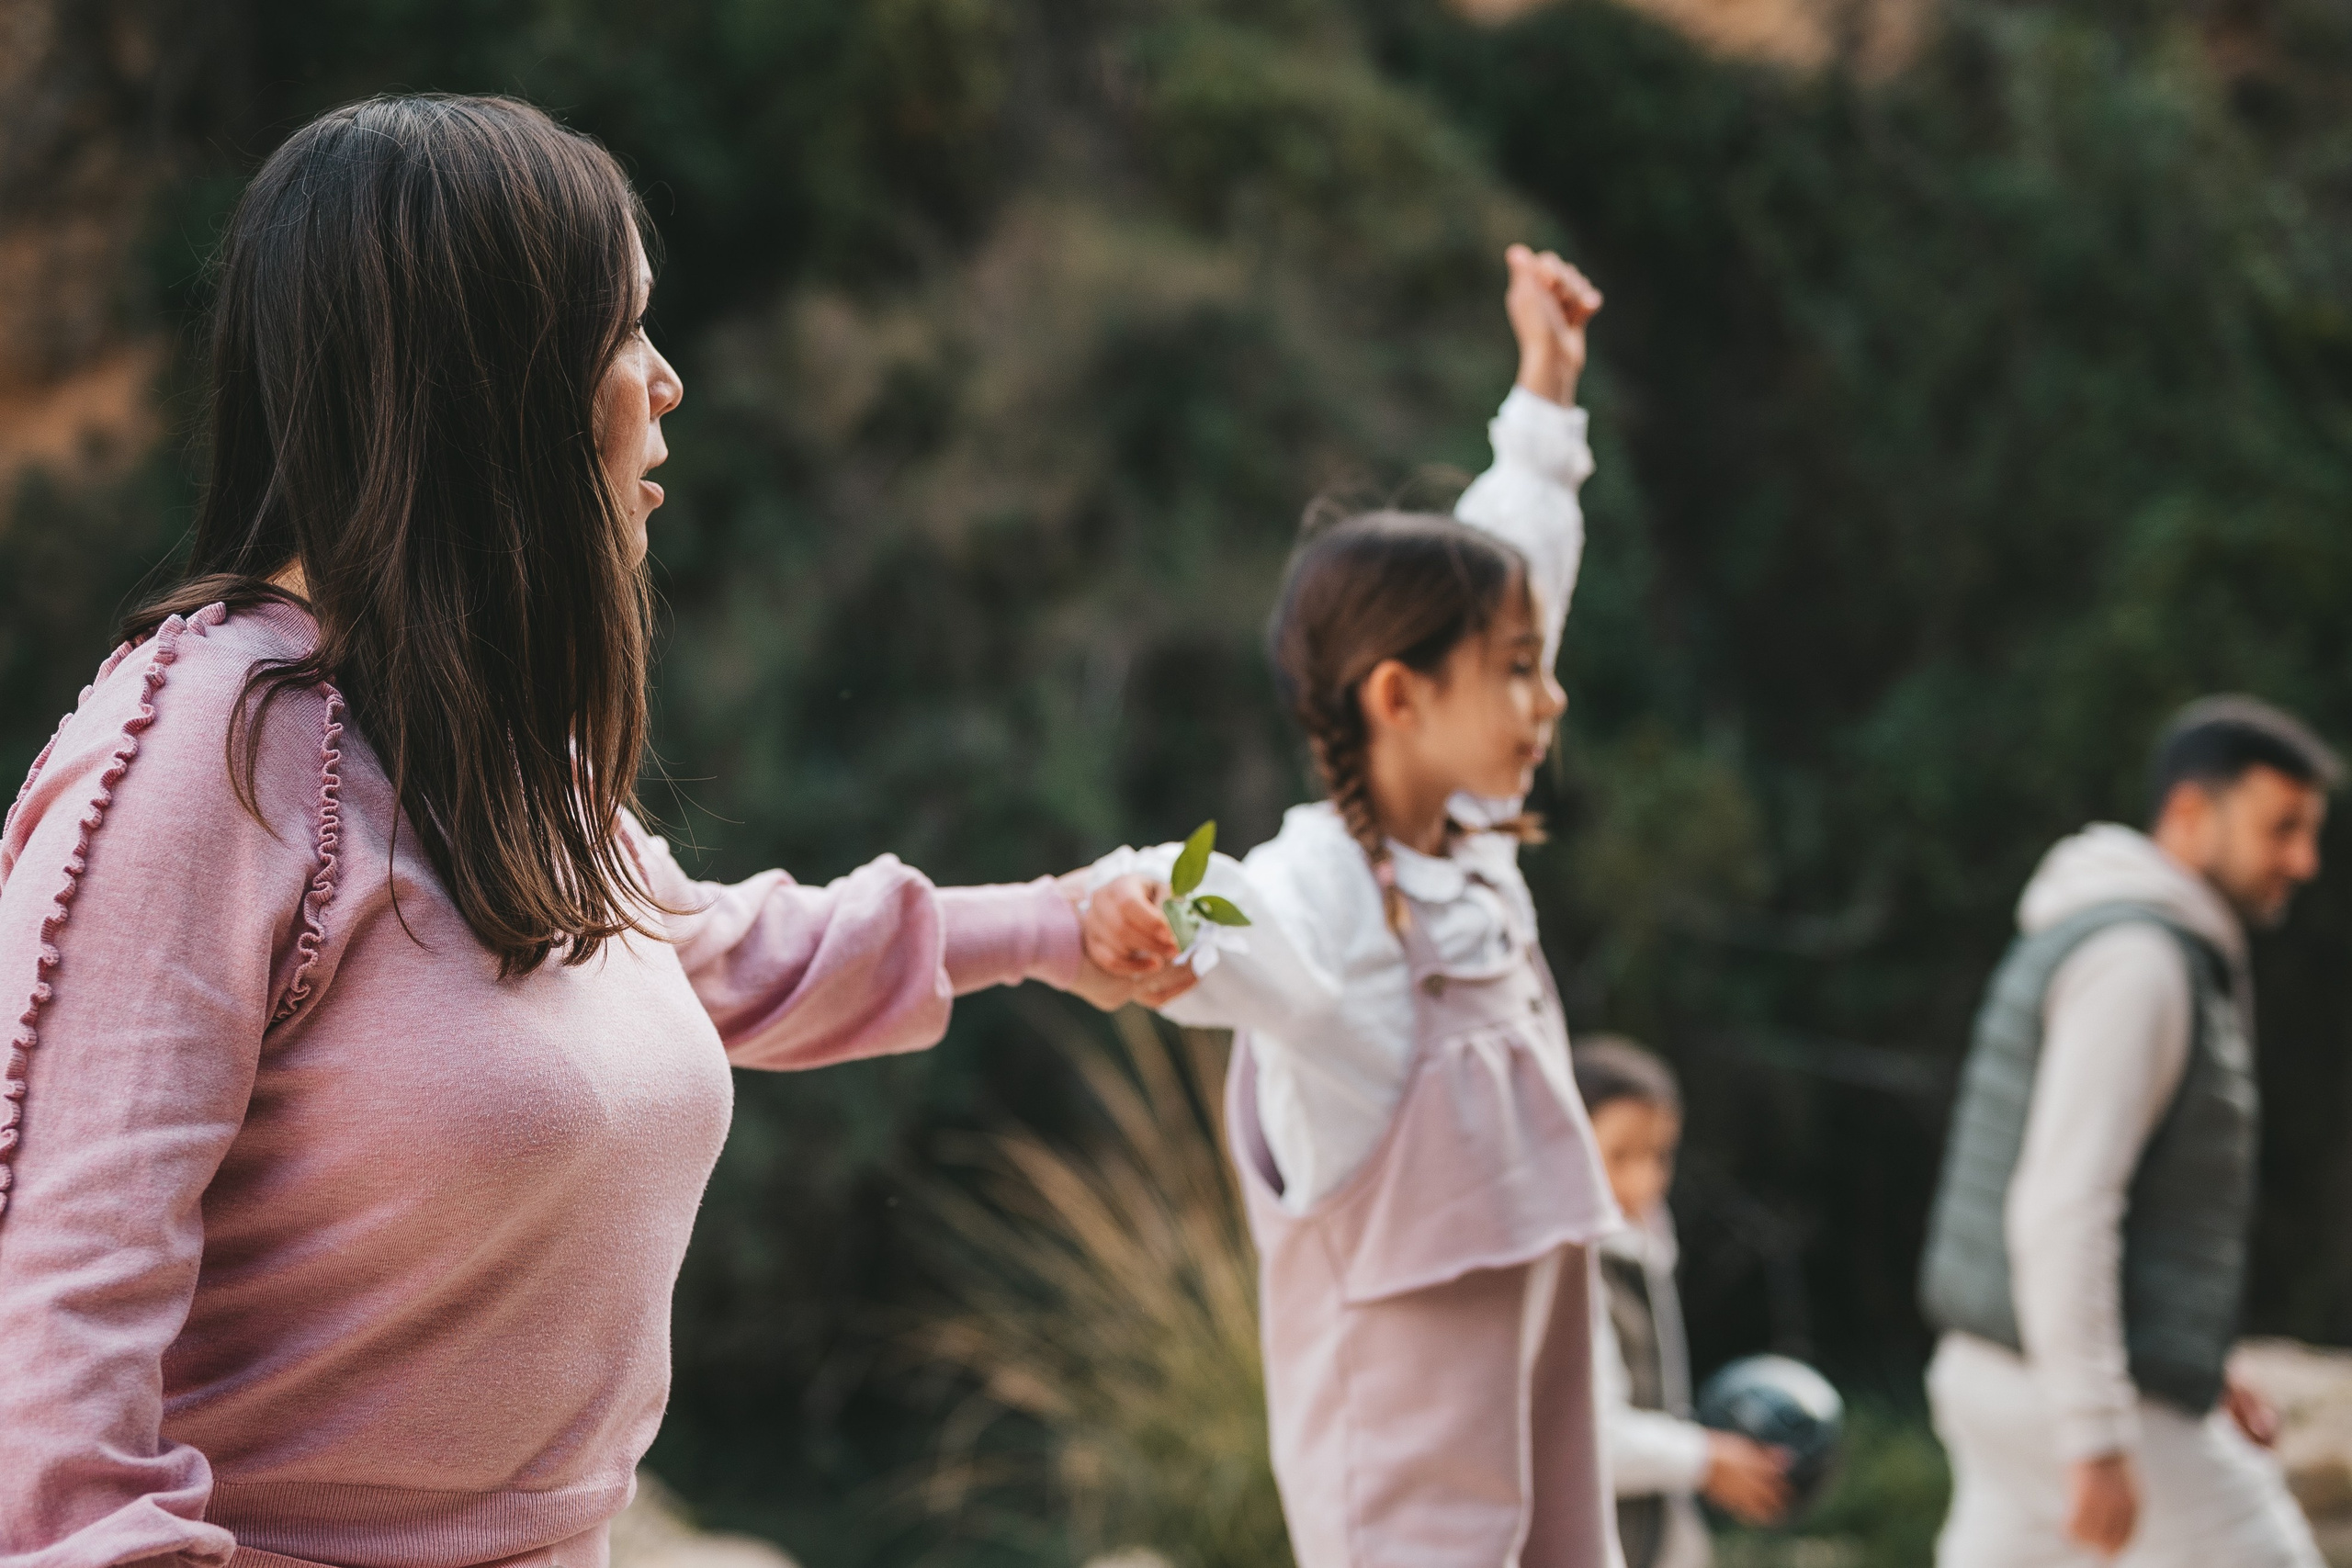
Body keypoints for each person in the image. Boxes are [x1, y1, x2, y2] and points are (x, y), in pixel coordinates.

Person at [0, 96, 1185, 1568]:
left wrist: (1065, 922)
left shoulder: (485, 730)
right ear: (489, 378)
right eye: (626, 332)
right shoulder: (202, 751)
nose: (668, 382)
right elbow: (58, 1326)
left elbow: (707, 954)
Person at [1080, 243, 1619, 1567]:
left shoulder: (1474, 848)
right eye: (1518, 671)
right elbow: (1228, 909)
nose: (1550, 696)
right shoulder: (1322, 888)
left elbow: (1519, 557)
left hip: (1544, 1429)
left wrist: (1544, 396)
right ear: (1399, 696)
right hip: (1403, 1490)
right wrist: (1150, 899)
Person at [1918, 695, 2339, 1568]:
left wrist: (2196, 1354)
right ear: (2190, 813)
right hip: (2059, 1388)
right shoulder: (2140, 964)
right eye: (2282, 827)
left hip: (1995, 1364)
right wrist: (2096, 1431)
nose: (2304, 860)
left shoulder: (2114, 939)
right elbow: (2065, 1204)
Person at [1577, 1037, 1790, 1568]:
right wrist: (1705, 1459)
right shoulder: (1569, 1276)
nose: (1643, 1180)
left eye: (1658, 1155)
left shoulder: (1647, 1253)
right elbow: (1583, 1438)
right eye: (1619, 1156)